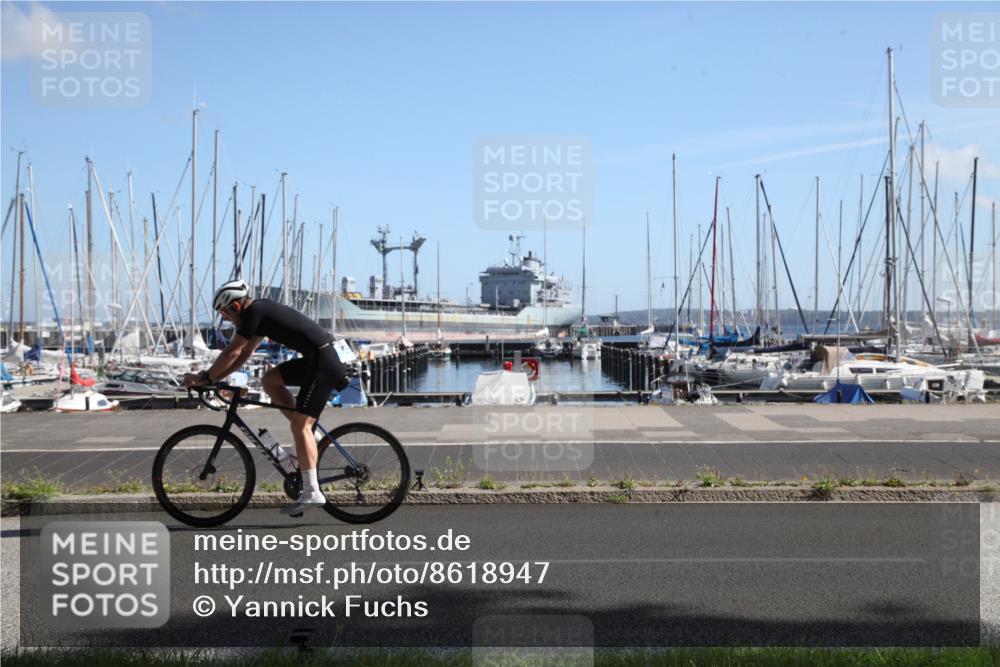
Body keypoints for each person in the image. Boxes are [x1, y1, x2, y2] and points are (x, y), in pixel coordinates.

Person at [183, 279, 350, 515]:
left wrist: (205, 377)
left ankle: (312, 491)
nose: (226, 319)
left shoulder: (255, 311)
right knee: (270, 380)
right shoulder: (259, 313)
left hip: (323, 363)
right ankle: (308, 435)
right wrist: (216, 377)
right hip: (317, 359)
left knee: (301, 426)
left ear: (236, 307)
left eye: (225, 313)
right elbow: (243, 355)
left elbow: (233, 350)